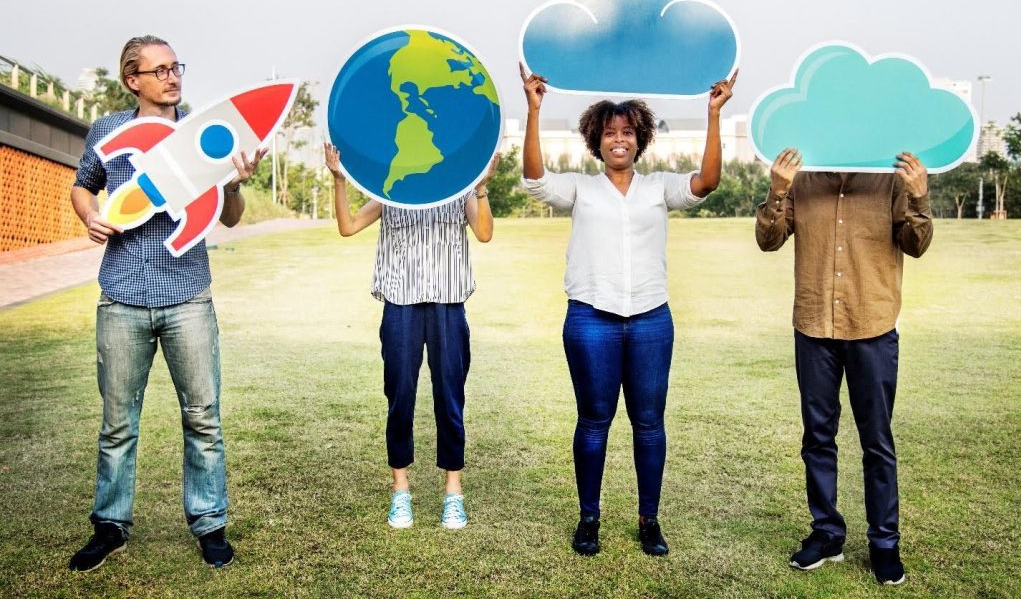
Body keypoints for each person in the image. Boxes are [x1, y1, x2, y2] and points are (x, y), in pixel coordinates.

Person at [520, 63, 737, 556]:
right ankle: (589, 518)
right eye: (609, 133)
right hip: (590, 319)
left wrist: (713, 114)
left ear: (640, 140)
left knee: (649, 422)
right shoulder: (580, 188)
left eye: (627, 132)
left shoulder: (659, 187)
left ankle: (649, 520)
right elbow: (535, 179)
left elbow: (707, 182)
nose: (618, 139)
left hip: (650, 320)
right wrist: (534, 110)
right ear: (596, 142)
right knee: (593, 422)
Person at [68, 35, 264, 571]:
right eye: (158, 70)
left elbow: (229, 217)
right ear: (133, 80)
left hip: (188, 299)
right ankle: (110, 526)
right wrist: (89, 215)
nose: (172, 77)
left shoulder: (204, 133)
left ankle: (209, 524)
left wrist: (235, 181)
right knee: (117, 423)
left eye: (176, 66)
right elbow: (83, 186)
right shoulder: (109, 130)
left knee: (203, 418)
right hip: (123, 297)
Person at [755, 148, 933, 585]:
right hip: (814, 327)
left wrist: (919, 198)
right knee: (817, 436)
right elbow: (768, 240)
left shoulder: (888, 178)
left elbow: (917, 246)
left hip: (871, 325)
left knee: (877, 440)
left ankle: (884, 543)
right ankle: (827, 533)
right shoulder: (802, 177)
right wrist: (777, 190)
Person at [324, 141, 496, 529]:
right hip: (399, 305)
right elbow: (348, 226)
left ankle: (454, 492)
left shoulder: (459, 187)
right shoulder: (393, 189)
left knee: (450, 397)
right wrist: (339, 180)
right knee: (399, 395)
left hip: (448, 304)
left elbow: (484, 233)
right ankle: (400, 491)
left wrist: (482, 186)